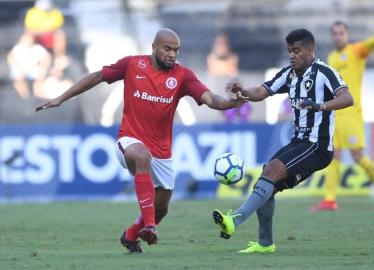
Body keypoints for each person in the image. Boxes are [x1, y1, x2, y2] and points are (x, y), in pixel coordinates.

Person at [35, 29, 245, 253]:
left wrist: (231, 103)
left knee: (161, 208)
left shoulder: (183, 76)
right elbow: (97, 76)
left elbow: (210, 98)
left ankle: (131, 235)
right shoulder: (132, 65)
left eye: (176, 50)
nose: (172, 54)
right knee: (143, 160)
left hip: (162, 152)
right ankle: (151, 227)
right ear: (154, 47)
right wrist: (60, 98)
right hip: (129, 141)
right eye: (167, 49)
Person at [212, 29, 353, 253]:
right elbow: (262, 91)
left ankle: (234, 220)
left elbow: (347, 97)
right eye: (289, 51)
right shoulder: (289, 74)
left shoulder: (325, 72)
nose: (292, 55)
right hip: (299, 142)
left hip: (317, 145)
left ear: (309, 50)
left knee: (272, 171)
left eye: (296, 51)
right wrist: (243, 91)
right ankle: (265, 244)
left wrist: (320, 106)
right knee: (268, 177)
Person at [310, 13, 374, 211]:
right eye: (335, 33)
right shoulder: (331, 57)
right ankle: (330, 199)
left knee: (357, 156)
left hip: (352, 113)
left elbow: (373, 42)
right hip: (335, 114)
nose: (338, 36)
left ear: (347, 34)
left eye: (341, 33)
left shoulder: (356, 51)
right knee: (334, 156)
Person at [207, 33, 251, 123]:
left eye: (224, 44)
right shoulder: (224, 105)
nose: (221, 47)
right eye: (219, 44)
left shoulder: (246, 105)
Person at [7, 32, 51, 99]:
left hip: (33, 68)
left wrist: (43, 68)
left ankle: (38, 94)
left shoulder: (37, 48)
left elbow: (47, 57)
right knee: (17, 76)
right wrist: (14, 66)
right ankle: (24, 95)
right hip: (20, 68)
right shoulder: (18, 48)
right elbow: (10, 57)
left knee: (41, 75)